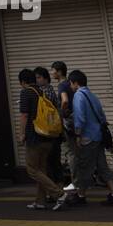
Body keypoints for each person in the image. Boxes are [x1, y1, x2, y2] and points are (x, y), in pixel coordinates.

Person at [54, 71, 113, 210]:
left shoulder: (79, 96)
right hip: (98, 136)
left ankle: (81, 195)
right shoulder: (92, 95)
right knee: (102, 166)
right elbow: (102, 117)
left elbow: (80, 118)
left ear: (75, 83)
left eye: (71, 84)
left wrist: (78, 136)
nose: (71, 86)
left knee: (84, 167)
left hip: (88, 137)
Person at [17, 68, 59, 210]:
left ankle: (59, 193)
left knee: (32, 169)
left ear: (23, 82)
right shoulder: (43, 91)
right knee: (41, 170)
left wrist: (21, 134)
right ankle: (40, 201)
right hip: (47, 136)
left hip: (34, 137)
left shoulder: (26, 92)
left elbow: (24, 115)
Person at [51, 60, 77, 190]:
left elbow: (65, 100)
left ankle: (75, 182)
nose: (52, 73)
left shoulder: (61, 85)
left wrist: (60, 114)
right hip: (76, 119)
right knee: (76, 151)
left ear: (59, 71)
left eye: (53, 70)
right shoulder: (70, 83)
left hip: (68, 121)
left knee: (70, 152)